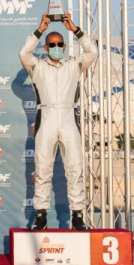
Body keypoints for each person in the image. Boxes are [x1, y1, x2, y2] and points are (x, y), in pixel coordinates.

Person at [19, 13, 98, 230]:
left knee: (75, 168)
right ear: (45, 48)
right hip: (46, 117)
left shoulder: (74, 65)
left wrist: (75, 30)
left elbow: (92, 51)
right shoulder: (37, 66)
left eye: (59, 44)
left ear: (64, 47)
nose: (56, 47)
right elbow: (24, 53)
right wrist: (40, 29)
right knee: (43, 169)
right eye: (51, 44)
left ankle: (78, 215)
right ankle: (41, 214)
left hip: (68, 117)